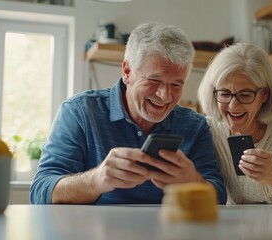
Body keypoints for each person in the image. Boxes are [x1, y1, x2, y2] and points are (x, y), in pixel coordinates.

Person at [30, 22, 227, 204]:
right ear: (127, 71)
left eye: (176, 84)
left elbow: (219, 196)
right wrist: (96, 179)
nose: (165, 95)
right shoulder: (79, 112)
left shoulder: (195, 125)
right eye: (154, 80)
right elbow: (41, 192)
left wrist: (192, 181)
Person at [197, 43, 272, 205]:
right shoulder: (209, 129)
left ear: (265, 95)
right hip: (231, 228)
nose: (233, 106)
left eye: (245, 95)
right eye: (225, 94)